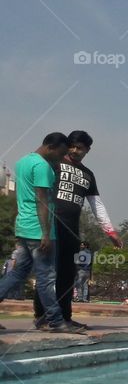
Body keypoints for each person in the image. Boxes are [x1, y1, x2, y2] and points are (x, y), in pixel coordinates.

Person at [32, 130, 123, 330]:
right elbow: (38, 191)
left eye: (80, 148)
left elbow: (96, 204)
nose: (74, 150)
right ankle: (42, 317)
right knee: (47, 272)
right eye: (71, 146)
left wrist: (110, 231)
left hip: (72, 230)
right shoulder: (53, 165)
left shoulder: (88, 175)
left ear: (87, 150)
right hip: (50, 226)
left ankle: (65, 316)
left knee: (67, 274)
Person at [0, 132, 76, 332]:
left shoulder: (23, 162)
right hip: (38, 230)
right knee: (46, 278)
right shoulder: (42, 166)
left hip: (24, 226)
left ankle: (55, 319)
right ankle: (56, 321)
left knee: (16, 274)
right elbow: (42, 200)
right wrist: (45, 233)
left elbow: (20, 196)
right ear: (52, 146)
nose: (62, 157)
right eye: (61, 153)